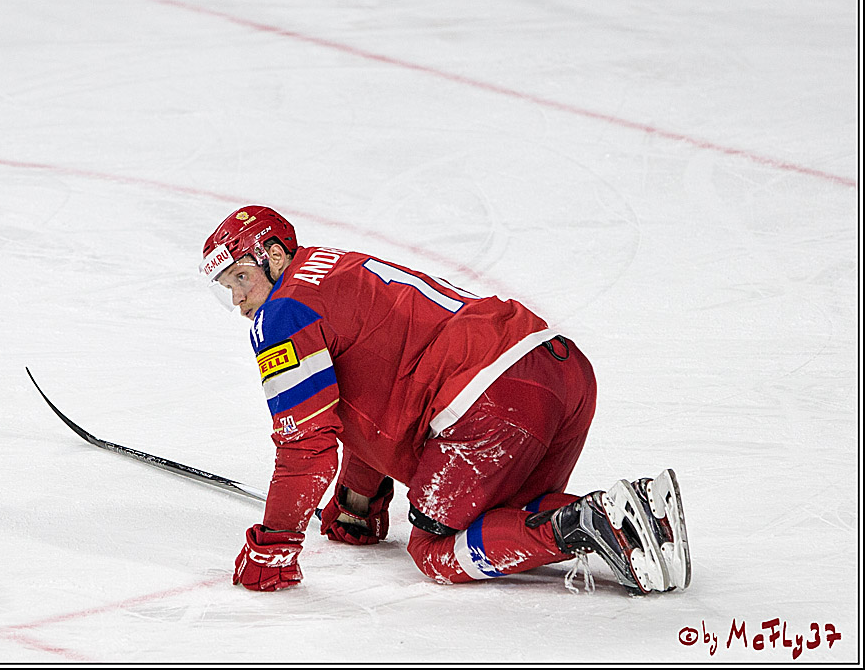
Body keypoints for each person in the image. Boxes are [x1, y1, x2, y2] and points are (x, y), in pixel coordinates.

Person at [199, 205, 691, 595]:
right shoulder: (332, 267)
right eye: (227, 290)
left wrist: (277, 544)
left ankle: (584, 527)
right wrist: (357, 501)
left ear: (275, 256)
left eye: (242, 278)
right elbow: (366, 385)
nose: (239, 301)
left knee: (436, 549)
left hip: (487, 399)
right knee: (503, 518)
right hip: (558, 370)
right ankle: (635, 523)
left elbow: (306, 443)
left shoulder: (282, 314)